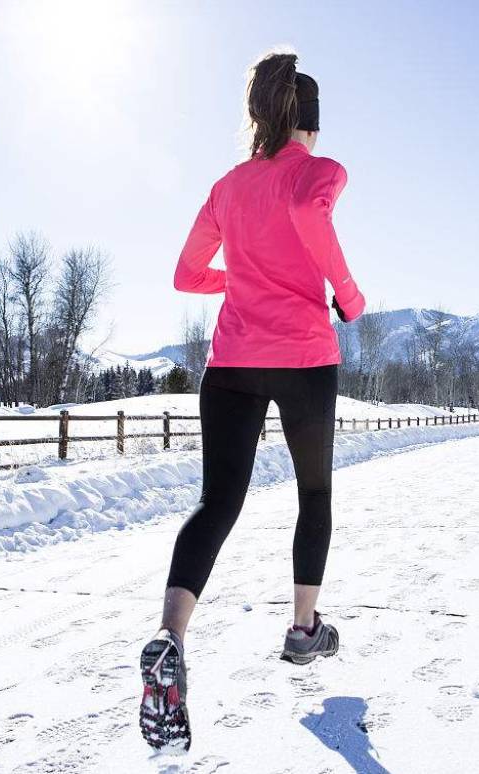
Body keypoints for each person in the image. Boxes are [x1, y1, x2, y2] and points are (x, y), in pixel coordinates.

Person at [138, 50, 366, 752]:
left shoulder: (227, 187)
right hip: (301, 359)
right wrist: (349, 300)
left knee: (218, 503)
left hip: (231, 363)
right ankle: (303, 632)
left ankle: (169, 638)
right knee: (315, 495)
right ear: (312, 126)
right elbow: (306, 209)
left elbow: (184, 275)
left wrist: (238, 281)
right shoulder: (320, 173)